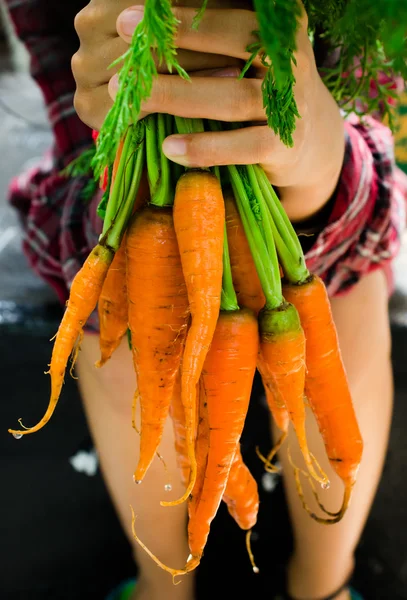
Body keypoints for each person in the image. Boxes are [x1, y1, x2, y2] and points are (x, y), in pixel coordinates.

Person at [4, 0, 407, 599]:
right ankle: (162, 584)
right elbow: (77, 147)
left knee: (339, 299)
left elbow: (378, 101)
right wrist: (113, 119)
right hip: (136, 188)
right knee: (123, 322)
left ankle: (323, 581)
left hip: (313, 188)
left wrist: (319, 172)